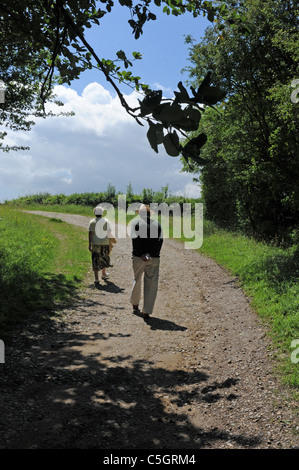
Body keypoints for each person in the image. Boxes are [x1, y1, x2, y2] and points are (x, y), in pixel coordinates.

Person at [130, 204, 163, 319]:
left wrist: (142, 254)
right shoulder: (158, 225)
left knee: (137, 278)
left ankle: (135, 304)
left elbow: (136, 241)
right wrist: (150, 253)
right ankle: (146, 311)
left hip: (138, 257)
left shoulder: (136, 224)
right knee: (151, 283)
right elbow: (159, 242)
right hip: (153, 257)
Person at [88, 206, 116, 285]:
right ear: (102, 213)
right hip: (105, 242)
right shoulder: (106, 221)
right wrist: (112, 240)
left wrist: (89, 244)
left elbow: (90, 233)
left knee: (95, 259)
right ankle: (103, 274)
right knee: (104, 257)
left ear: (94, 213)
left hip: (95, 243)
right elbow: (109, 232)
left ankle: (96, 278)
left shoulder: (92, 222)